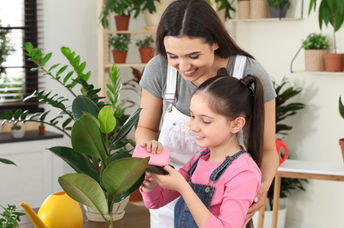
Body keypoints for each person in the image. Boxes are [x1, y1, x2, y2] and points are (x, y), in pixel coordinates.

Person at [135, 0, 279, 227]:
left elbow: (269, 148)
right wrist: (151, 159)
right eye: (173, 56)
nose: (183, 67)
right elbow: (146, 128)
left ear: (214, 42)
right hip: (171, 190)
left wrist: (260, 189)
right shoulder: (196, 162)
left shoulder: (249, 72)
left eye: (193, 56)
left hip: (225, 199)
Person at [140, 72, 264, 228]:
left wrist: (184, 188)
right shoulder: (199, 159)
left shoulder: (244, 172)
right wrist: (151, 183)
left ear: (236, 124)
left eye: (205, 121)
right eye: (192, 116)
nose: (193, 127)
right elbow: (156, 202)